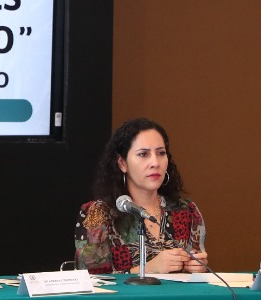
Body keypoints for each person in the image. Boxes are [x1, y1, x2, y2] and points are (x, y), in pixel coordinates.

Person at [75, 117, 208, 274]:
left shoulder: (186, 211)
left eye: (161, 153)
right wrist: (149, 269)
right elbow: (91, 280)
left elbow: (198, 270)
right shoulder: (99, 213)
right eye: (143, 154)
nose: (155, 163)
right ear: (122, 163)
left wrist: (199, 268)